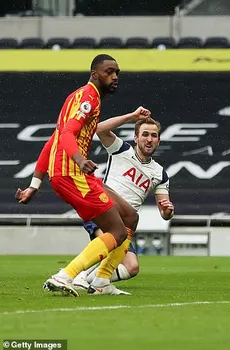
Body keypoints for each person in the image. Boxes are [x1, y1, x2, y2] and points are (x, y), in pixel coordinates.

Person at [15, 54, 140, 297]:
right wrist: (80, 159)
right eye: (109, 72)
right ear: (95, 74)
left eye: (117, 73)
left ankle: (102, 281)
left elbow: (54, 139)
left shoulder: (80, 97)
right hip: (72, 174)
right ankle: (65, 276)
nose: (115, 77)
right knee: (116, 232)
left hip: (70, 173)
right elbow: (66, 135)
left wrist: (34, 184)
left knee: (129, 216)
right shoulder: (88, 97)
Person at [72, 116, 174, 293]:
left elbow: (164, 212)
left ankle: (91, 281)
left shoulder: (160, 174)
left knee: (132, 267)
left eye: (154, 135)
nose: (149, 139)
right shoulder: (121, 150)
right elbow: (100, 129)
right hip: (103, 208)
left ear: (158, 140)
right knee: (107, 247)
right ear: (136, 138)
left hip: (125, 225)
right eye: (145, 134)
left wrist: (167, 211)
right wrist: (132, 117)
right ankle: (73, 276)